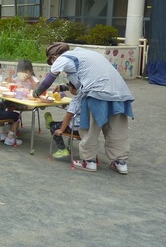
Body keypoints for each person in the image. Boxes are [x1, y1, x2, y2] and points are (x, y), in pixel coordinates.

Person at [34, 42, 134, 174]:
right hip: (119, 91)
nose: (53, 62)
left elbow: (48, 81)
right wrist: (65, 87)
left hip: (97, 93)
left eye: (51, 60)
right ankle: (120, 162)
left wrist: (35, 93)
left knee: (90, 128)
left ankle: (89, 161)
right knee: (117, 129)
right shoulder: (84, 53)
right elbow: (85, 79)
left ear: (54, 56)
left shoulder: (62, 59)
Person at [44, 81, 82, 159]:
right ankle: (50, 123)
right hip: (86, 129)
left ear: (74, 89)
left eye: (69, 86)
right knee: (58, 124)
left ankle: (62, 149)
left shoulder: (75, 101)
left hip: (74, 129)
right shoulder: (88, 99)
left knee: (54, 128)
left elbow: (68, 117)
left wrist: (61, 130)